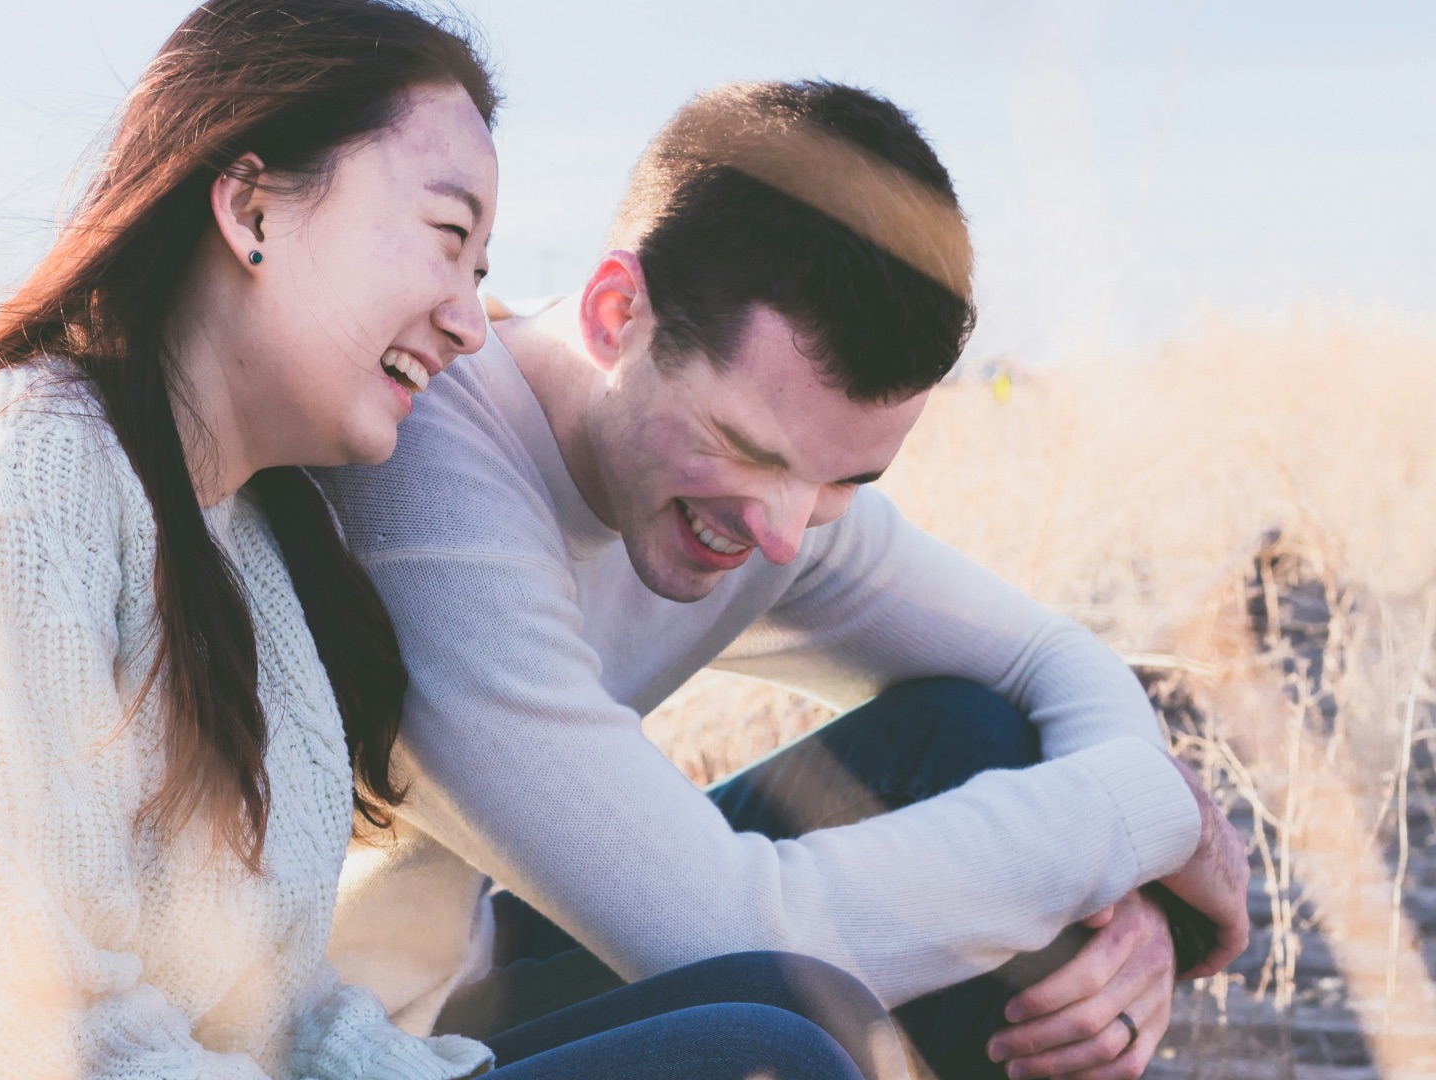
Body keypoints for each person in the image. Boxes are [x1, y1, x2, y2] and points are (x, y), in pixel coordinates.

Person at [0, 4, 879, 1078]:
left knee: (793, 1008)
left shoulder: (252, 538)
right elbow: (31, 1042)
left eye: (481, 273)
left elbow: (285, 1020)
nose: (472, 320)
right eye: (443, 238)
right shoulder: (23, 477)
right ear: (251, 207)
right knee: (767, 1054)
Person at [314, 80, 1252, 1080]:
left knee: (977, 737)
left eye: (846, 479)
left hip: (476, 969)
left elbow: (1046, 654)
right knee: (783, 1036)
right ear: (616, 313)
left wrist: (1124, 907)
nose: (782, 532)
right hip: (354, 1044)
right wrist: (1144, 819)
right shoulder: (430, 493)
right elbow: (728, 934)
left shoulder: (768, 498)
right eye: (745, 449)